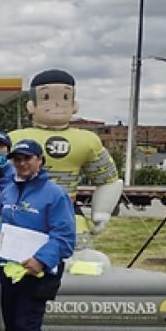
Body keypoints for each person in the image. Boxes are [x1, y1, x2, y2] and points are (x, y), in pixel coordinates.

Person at [0, 139, 75, 331]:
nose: (21, 163)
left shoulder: (54, 194)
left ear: (40, 160)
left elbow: (65, 237)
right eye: (17, 159)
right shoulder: (8, 191)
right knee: (13, 324)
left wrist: (41, 260)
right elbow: (4, 224)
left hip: (37, 272)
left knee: (28, 326)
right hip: (12, 270)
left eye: (27, 158)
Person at [9, 69, 121, 236]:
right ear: (32, 105)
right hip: (24, 213)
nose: (56, 104)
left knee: (81, 256)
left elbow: (108, 180)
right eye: (46, 97)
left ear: (74, 104)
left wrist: (101, 212)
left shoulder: (87, 140)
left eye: (65, 97)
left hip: (68, 212)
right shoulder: (14, 139)